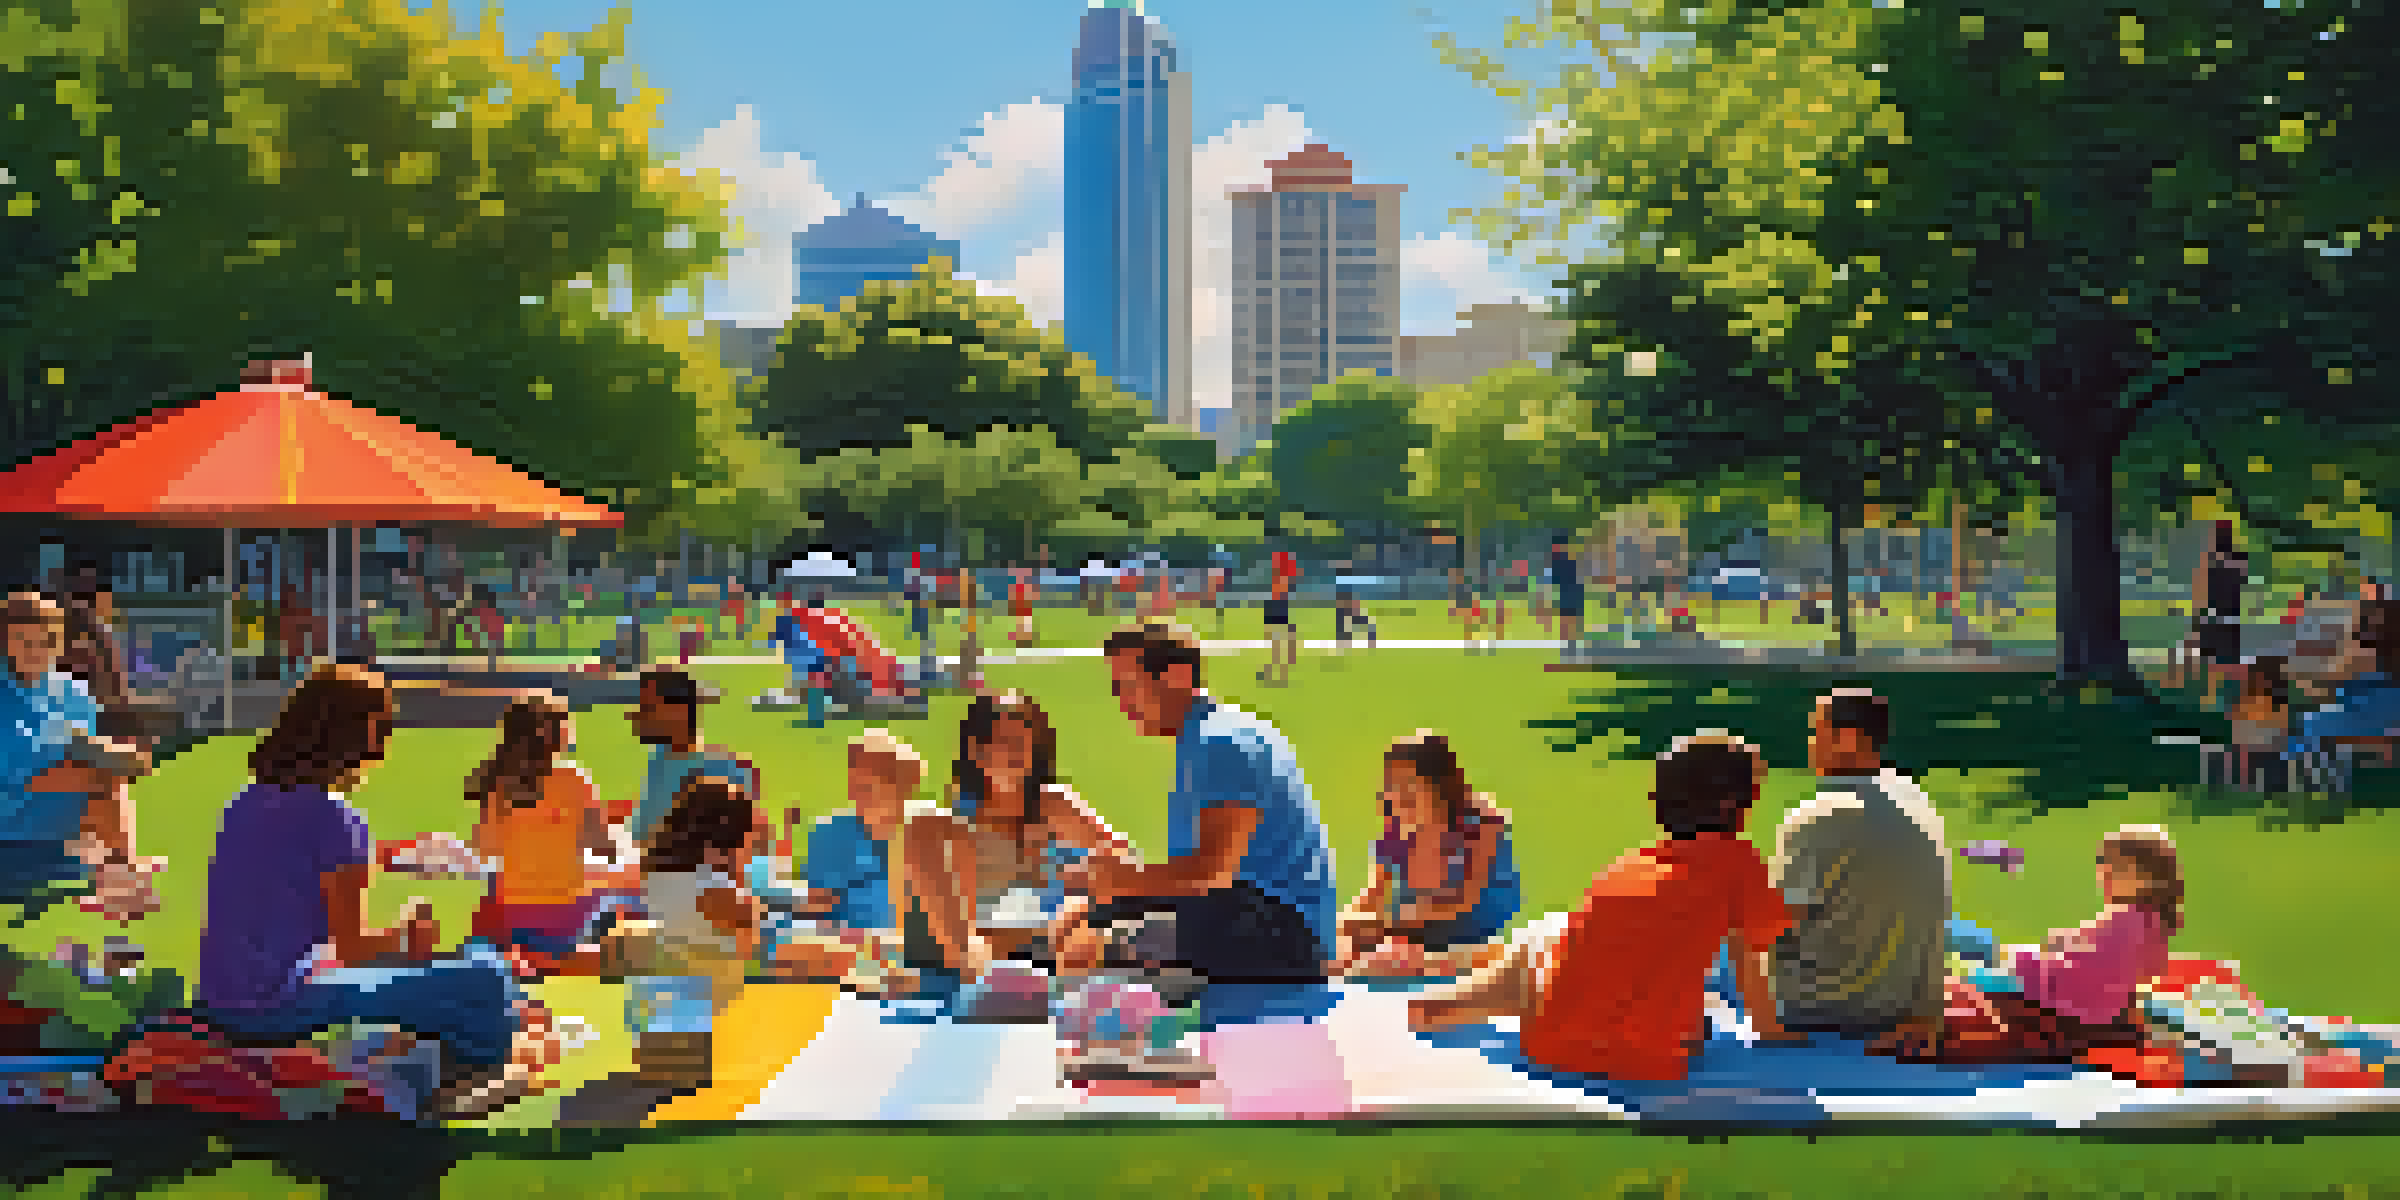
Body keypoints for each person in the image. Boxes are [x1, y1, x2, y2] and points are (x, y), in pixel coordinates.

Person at [194, 662, 551, 1117]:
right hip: (277, 1007)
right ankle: (476, 1076)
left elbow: (288, 885)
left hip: (223, 1001)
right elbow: (355, 947)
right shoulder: (335, 819)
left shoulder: (245, 802)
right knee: (484, 971)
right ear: (362, 739)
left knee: (473, 971)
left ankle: (454, 1052)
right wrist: (408, 937)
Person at [1408, 732, 1799, 1081]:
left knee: (1541, 946)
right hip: (1644, 1060)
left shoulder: (1628, 867)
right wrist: (1773, 1033)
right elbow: (1750, 963)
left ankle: (1466, 996)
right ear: (1734, 805)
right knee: (1550, 956)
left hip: (1549, 1045)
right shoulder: (1738, 863)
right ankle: (1485, 990)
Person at [1052, 624, 1338, 986]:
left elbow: (1212, 872)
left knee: (1090, 950)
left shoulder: (1219, 743)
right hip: (1257, 921)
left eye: (1127, 687)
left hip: (1280, 940)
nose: (1121, 703)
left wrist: (1125, 880)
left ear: (1177, 677)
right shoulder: (1210, 735)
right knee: (1090, 916)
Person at [1875, 826, 2180, 1065]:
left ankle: (1926, 1025)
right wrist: (2061, 944)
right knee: (1976, 978)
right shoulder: (2146, 921)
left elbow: (2085, 974)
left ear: (2151, 878)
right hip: (2081, 1001)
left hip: (2067, 1005)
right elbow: (2101, 952)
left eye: (2120, 870)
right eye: (2105, 866)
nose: (2106, 876)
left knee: (1973, 993)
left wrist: (2026, 963)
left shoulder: (2128, 922)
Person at [900, 691, 1134, 979]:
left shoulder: (1053, 804)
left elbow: (1122, 858)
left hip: (1051, 944)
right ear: (976, 751)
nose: (1011, 754)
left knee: (1083, 935)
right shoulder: (952, 823)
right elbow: (969, 923)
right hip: (985, 950)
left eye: (1021, 743)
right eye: (1001, 742)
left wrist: (1079, 901)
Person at [1764, 689, 1951, 1040]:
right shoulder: (1915, 798)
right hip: (1905, 1003)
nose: (1809, 744)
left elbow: (1774, 925)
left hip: (1825, 1008)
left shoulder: (1820, 815)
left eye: (1815, 732)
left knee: (1714, 950)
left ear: (1847, 739)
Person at [0, 592, 158, 922]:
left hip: (67, 837)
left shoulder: (72, 691)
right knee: (101, 774)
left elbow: (88, 767)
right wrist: (98, 753)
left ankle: (120, 872)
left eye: (43, 640)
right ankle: (123, 876)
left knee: (104, 776)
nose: (34, 649)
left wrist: (100, 755)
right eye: (22, 640)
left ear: (57, 642)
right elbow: (30, 776)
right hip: (11, 842)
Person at [623, 773, 770, 1092]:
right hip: (703, 1013)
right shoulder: (718, 892)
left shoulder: (659, 875)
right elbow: (753, 946)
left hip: (656, 1004)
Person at [1334, 732, 1522, 979]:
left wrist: (1386, 924)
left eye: (1408, 785)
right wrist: (1341, 926)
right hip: (1414, 932)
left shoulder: (1481, 824)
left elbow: (1463, 899)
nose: (1396, 796)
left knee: (1378, 957)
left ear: (1439, 785)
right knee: (1341, 949)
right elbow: (1373, 897)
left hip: (1473, 939)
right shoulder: (1397, 829)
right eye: (1392, 785)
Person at [466, 693, 632, 970]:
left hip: (513, 918)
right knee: (624, 894)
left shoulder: (497, 784)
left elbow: (486, 849)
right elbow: (604, 847)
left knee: (498, 883)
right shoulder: (574, 779)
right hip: (566, 919)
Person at [770, 729, 927, 988]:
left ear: (902, 789)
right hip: (851, 954)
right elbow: (818, 912)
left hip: (909, 954)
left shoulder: (926, 832)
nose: (856, 793)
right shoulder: (831, 835)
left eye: (868, 786)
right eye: (854, 783)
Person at [618, 668, 762, 848]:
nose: (633, 715)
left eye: (646, 708)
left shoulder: (725, 775)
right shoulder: (660, 757)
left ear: (679, 712)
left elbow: (745, 845)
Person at [2288, 598, 2400, 782]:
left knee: (2307, 726)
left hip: (2355, 722)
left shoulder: (2359, 656)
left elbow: (2324, 688)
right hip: (2387, 718)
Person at [2227, 656, 2294, 792]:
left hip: (2269, 750)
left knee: (2273, 783)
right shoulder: (2246, 699)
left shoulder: (2277, 702)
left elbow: (2282, 729)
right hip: (2251, 749)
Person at [769, 609, 830, 728]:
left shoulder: (787, 624)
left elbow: (775, 642)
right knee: (813, 689)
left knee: (813, 689)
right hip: (812, 659)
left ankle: (816, 719)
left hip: (809, 661)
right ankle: (816, 718)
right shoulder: (796, 626)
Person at [1551, 542, 1586, 659]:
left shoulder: (1561, 563)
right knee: (1571, 624)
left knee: (1570, 623)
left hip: (1570, 597)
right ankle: (1571, 650)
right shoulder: (1571, 561)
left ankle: (1570, 651)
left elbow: (1556, 581)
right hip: (1572, 597)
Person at [1259, 573, 1296, 686]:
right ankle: (1276, 671)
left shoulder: (1282, 592)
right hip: (1276, 610)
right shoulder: (1278, 591)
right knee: (1277, 642)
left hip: (1278, 610)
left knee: (1279, 643)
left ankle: (1281, 671)